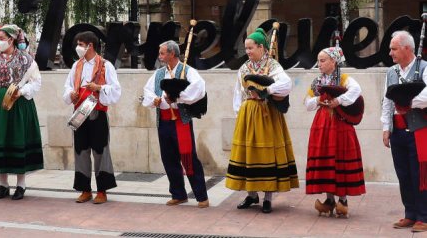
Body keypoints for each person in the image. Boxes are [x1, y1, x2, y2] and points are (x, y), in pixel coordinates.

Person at [226, 28, 298, 213]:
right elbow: (237, 92)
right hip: (248, 113)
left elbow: (286, 84)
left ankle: (267, 197)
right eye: (246, 48)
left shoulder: (273, 66)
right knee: (249, 154)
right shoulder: (244, 68)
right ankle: (251, 195)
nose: (248, 52)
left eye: (251, 48)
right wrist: (239, 114)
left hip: (267, 113)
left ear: (262, 47)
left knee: (267, 154)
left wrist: (268, 91)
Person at [0, 24, 43, 200]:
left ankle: (21, 185)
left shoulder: (27, 60)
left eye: (2, 39)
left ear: (11, 39)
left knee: (19, 139)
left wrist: (22, 91)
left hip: (19, 104)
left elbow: (36, 82)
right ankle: (3, 184)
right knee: (0, 140)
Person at [142, 40, 209, 208]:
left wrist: (178, 97)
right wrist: (154, 100)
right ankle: (178, 194)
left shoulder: (187, 71)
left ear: (172, 54)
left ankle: (201, 196)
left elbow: (199, 89)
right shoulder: (158, 74)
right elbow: (147, 91)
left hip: (181, 121)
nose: (160, 56)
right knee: (169, 158)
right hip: (164, 121)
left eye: (162, 53)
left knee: (189, 158)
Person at [305, 47, 365, 217]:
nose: (319, 64)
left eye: (323, 60)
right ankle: (330, 199)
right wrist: (319, 99)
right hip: (322, 124)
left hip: (339, 125)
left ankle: (343, 200)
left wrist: (338, 100)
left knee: (339, 159)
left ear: (333, 61)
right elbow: (307, 103)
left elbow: (356, 91)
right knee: (326, 160)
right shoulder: (317, 81)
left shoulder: (344, 79)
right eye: (318, 61)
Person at [62, 31, 121, 204]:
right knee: (80, 150)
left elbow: (116, 90)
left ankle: (102, 191)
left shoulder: (105, 65)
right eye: (78, 44)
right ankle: (85, 189)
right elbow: (67, 87)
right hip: (80, 111)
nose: (78, 48)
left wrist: (99, 87)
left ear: (91, 46)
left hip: (97, 111)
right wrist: (70, 95)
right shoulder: (76, 65)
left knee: (100, 151)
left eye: (81, 44)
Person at [381, 30, 427, 233]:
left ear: (407, 48)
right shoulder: (391, 72)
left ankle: (424, 216)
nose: (390, 53)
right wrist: (386, 127)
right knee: (404, 174)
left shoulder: (424, 68)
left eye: (394, 49)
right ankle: (410, 214)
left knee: (420, 174)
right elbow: (387, 101)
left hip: (419, 130)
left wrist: (410, 103)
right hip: (398, 131)